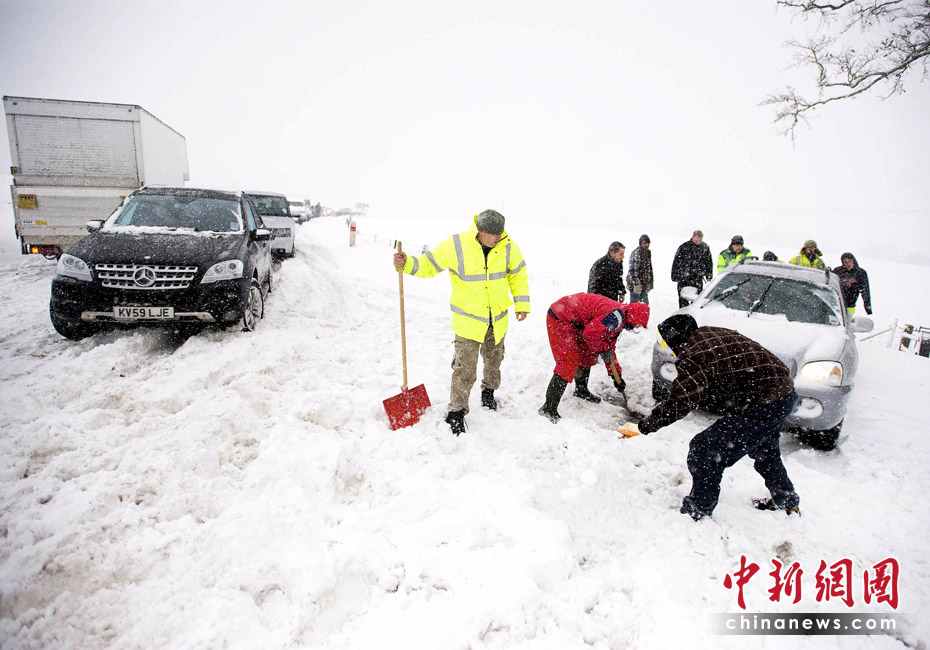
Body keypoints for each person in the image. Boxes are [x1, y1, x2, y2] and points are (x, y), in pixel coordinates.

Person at [620, 314, 800, 521]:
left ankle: (699, 509)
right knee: (765, 451)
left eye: (665, 342)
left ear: (675, 338)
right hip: (782, 394)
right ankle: (787, 502)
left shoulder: (694, 355)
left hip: (764, 403)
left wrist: (643, 427)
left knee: (704, 451)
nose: (668, 348)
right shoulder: (706, 334)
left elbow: (679, 402)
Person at [392, 209, 530, 435]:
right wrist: (407, 263)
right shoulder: (456, 245)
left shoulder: (507, 246)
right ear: (481, 231)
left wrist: (522, 303)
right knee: (465, 369)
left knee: (494, 361)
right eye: (493, 234)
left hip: (497, 320)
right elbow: (428, 265)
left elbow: (518, 274)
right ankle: (456, 411)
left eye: (500, 233)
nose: (498, 238)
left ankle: (488, 391)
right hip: (468, 322)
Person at [540, 294, 650, 422]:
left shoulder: (620, 319)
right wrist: (603, 349)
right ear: (634, 317)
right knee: (568, 362)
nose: (637, 327)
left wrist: (616, 375)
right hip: (561, 316)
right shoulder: (615, 317)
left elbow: (609, 348)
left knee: (587, 355)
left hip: (577, 322)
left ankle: (581, 390)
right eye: (638, 324)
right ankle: (548, 408)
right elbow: (590, 334)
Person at [671, 230, 713, 308]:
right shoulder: (684, 247)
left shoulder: (705, 248)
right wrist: (675, 275)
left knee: (697, 302)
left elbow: (709, 262)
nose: (698, 239)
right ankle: (683, 314)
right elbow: (676, 262)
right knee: (683, 301)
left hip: (697, 279)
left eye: (700, 237)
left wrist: (709, 274)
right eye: (696, 237)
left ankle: (693, 314)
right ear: (692, 237)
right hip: (684, 278)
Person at [627, 235, 653, 304]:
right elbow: (633, 270)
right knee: (634, 304)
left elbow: (649, 268)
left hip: (643, 283)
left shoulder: (647, 253)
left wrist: (650, 281)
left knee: (644, 304)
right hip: (635, 285)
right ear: (640, 243)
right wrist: (636, 283)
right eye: (644, 243)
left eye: (648, 243)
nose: (646, 245)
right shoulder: (636, 253)